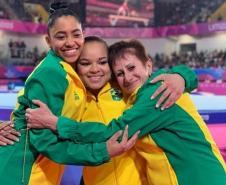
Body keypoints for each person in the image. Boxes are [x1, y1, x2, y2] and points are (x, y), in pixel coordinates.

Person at [26, 39, 226, 185]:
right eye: (120, 73)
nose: (127, 77)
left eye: (132, 68)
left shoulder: (158, 90)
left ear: (148, 65)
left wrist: (181, 76)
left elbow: (113, 131)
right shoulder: (121, 96)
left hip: (196, 177)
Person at [0, 5, 139, 185]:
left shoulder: (73, 72)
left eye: (76, 34)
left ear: (83, 34)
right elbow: (44, 141)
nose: (70, 42)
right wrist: (102, 151)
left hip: (38, 172)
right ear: (48, 41)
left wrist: (181, 77)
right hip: (20, 171)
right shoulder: (52, 72)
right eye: (60, 36)